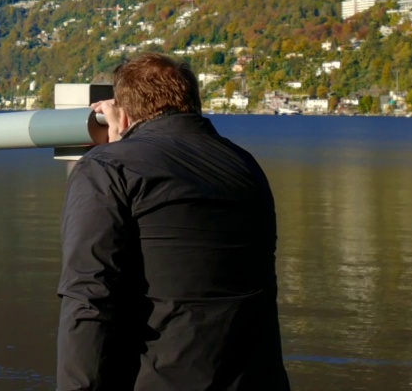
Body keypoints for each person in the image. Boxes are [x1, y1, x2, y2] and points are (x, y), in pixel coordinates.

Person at [57, 52, 289, 390]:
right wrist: (127, 146)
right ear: (193, 102)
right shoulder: (243, 165)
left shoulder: (108, 169)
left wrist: (116, 151)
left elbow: (89, 297)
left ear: (124, 112)